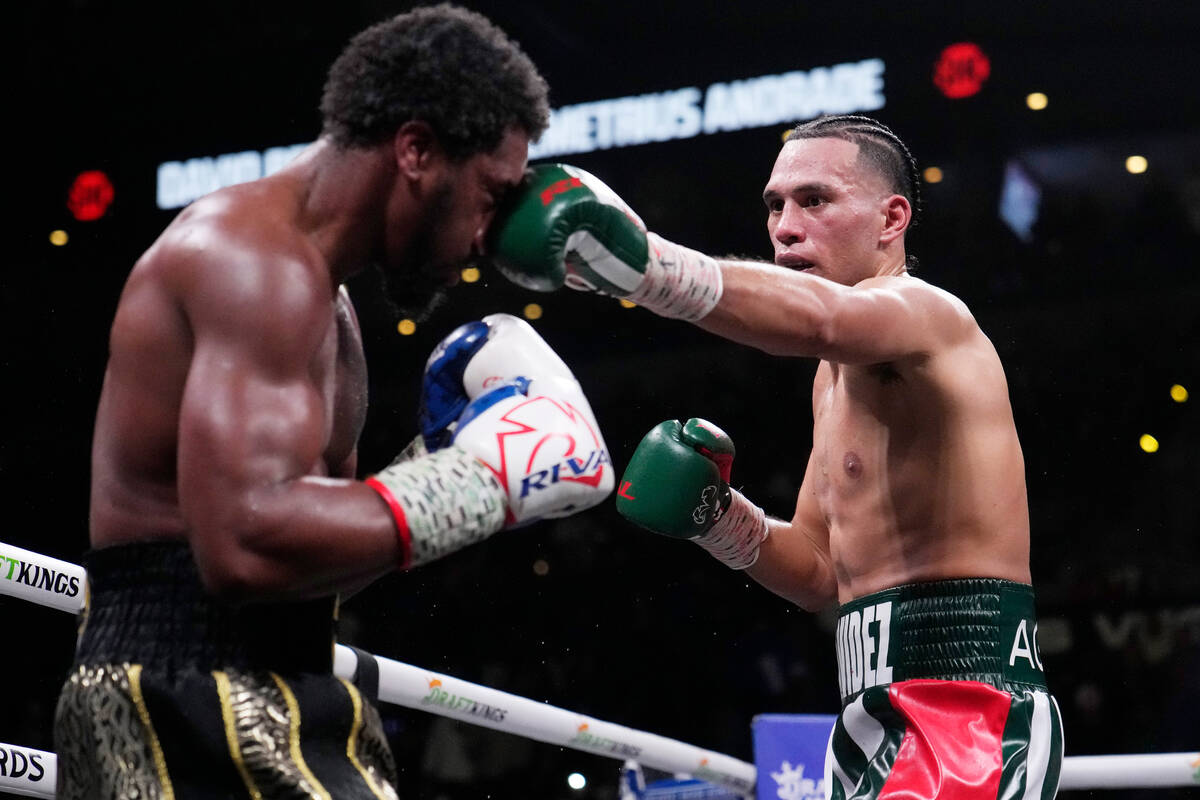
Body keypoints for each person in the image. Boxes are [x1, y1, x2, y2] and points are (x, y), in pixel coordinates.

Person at [54, 6, 614, 799]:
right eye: (488, 196)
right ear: (415, 150)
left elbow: (310, 558)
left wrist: (445, 464)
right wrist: (490, 480)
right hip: (176, 692)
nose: (488, 236)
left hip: (288, 678)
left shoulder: (331, 302)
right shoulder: (249, 262)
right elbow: (244, 546)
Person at [488, 114, 1064, 800]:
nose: (786, 226)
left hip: (966, 708)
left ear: (891, 219)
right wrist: (719, 520)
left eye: (814, 200)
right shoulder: (833, 375)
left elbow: (823, 317)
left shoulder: (927, 316)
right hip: (869, 711)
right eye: (775, 206)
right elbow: (822, 573)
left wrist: (645, 265)